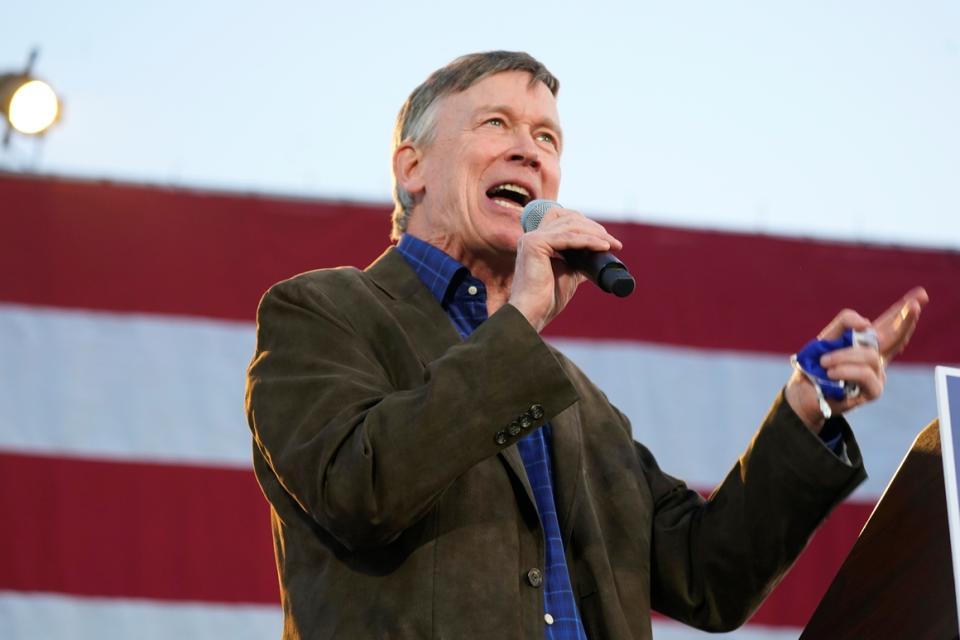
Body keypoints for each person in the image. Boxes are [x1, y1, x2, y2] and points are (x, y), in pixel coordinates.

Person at [245, 51, 928, 639]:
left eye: (548, 138)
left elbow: (705, 574)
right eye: (496, 124)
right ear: (413, 167)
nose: (529, 150)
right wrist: (524, 321)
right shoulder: (324, 312)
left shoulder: (571, 399)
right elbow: (359, 490)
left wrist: (806, 411)